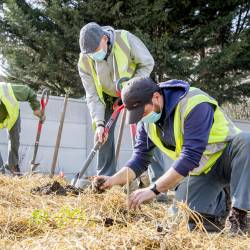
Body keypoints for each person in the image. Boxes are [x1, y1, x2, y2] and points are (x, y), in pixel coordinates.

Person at [95, 77, 250, 235]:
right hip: (202, 171)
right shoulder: (146, 123)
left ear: (156, 97)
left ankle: (239, 215)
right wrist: (111, 180)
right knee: (181, 222)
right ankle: (221, 209)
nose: (141, 118)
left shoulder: (194, 103)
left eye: (143, 112)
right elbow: (139, 160)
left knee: (247, 141)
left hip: (229, 159)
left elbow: (190, 156)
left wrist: (153, 189)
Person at [78, 22, 167, 194]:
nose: (93, 56)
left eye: (96, 50)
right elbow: (92, 95)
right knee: (102, 135)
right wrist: (100, 122)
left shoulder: (125, 38)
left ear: (105, 38)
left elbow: (147, 63)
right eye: (90, 54)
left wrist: (132, 88)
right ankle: (105, 182)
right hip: (107, 97)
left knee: (148, 132)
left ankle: (158, 185)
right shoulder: (84, 60)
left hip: (135, 89)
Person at [0, 82, 45, 175]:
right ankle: (1, 171)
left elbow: (29, 93)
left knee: (14, 141)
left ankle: (13, 165)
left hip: (12, 116)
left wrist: (36, 108)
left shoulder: (4, 90)